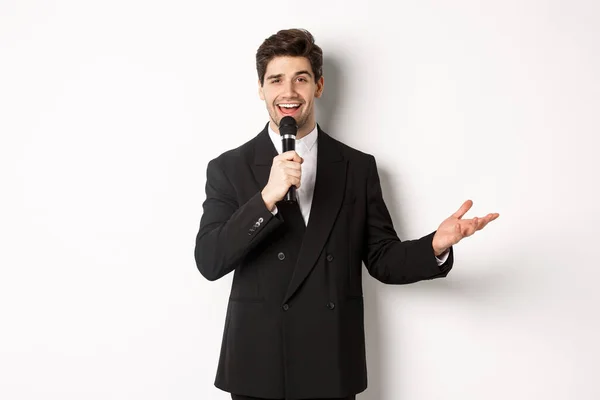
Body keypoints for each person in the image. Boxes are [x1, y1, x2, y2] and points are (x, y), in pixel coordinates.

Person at [194, 28, 499, 400]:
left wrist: (435, 245)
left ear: (319, 86)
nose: (288, 92)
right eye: (276, 80)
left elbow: (382, 259)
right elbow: (210, 260)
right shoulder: (228, 168)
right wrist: (267, 197)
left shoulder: (357, 167)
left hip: (331, 362)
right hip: (258, 366)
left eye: (301, 79)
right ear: (261, 89)